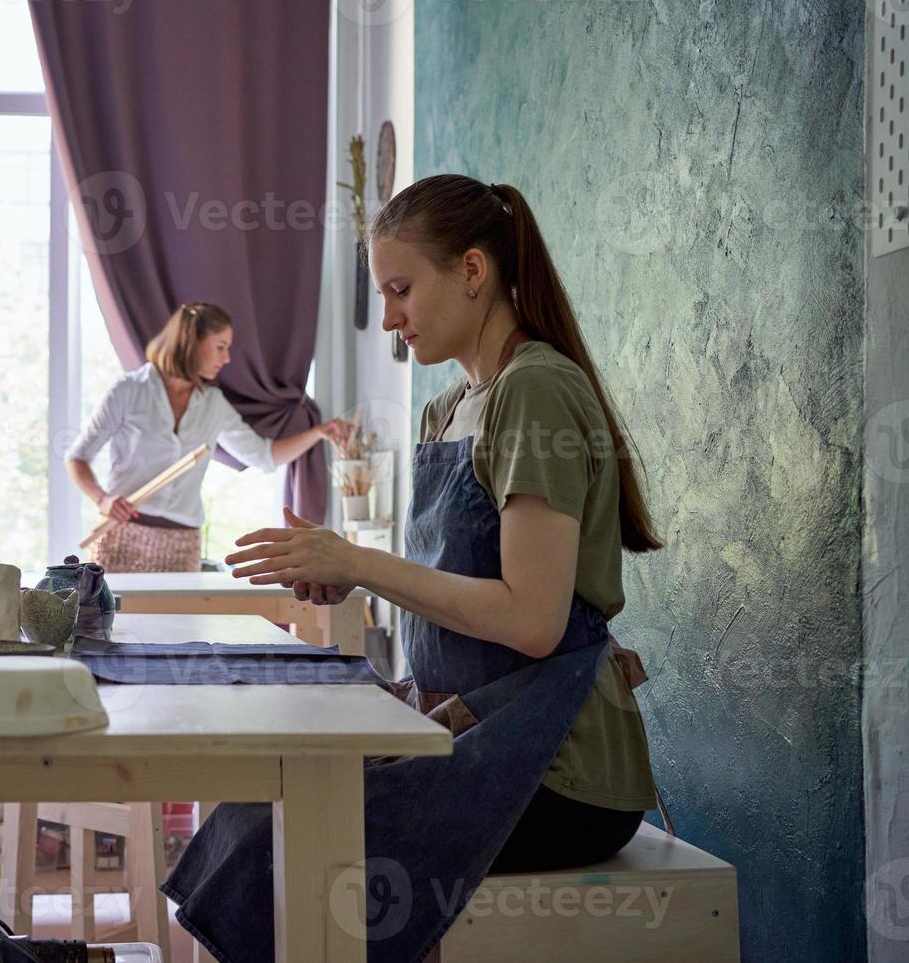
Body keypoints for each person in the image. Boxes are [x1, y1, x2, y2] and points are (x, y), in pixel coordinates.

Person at [161, 175, 663, 961]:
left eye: (400, 290)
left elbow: (532, 621)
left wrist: (362, 562)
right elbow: (457, 585)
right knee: (257, 809)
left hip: (558, 769)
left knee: (290, 839)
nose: (390, 320)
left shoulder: (534, 390)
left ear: (472, 271)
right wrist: (354, 574)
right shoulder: (448, 407)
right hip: (474, 730)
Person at [66, 301, 347, 572]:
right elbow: (77, 458)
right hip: (121, 536)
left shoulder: (214, 404)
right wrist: (103, 499)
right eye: (220, 347)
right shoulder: (128, 390)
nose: (227, 359)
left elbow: (264, 457)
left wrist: (319, 432)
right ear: (191, 343)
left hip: (182, 543)